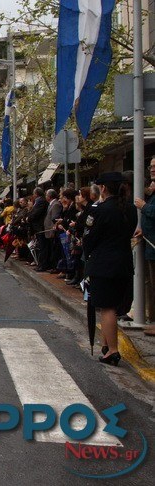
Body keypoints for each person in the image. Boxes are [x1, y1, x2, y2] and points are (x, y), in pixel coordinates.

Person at [84, 173, 138, 365]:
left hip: (103, 264)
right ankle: (106, 346)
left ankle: (113, 351)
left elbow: (89, 238)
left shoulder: (98, 209)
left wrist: (87, 254)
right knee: (113, 307)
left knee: (106, 308)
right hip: (123, 263)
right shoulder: (131, 209)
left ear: (103, 189)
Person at [134, 156, 155, 334]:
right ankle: (152, 319)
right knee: (150, 284)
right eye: (151, 166)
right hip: (149, 243)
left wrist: (144, 206)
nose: (152, 169)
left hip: (154, 246)